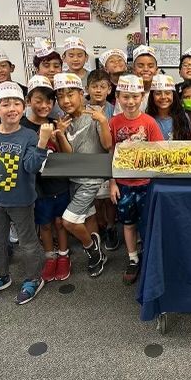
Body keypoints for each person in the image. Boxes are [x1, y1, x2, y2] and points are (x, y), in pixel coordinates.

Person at [0, 82, 51, 305]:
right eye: (5, 104)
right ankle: (1, 276)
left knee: (28, 243)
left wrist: (42, 142)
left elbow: (31, 167)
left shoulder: (28, 135)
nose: (12, 108)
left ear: (23, 106)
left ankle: (33, 278)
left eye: (16, 103)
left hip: (22, 201)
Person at [109, 75, 164, 284]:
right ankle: (132, 258)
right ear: (118, 97)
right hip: (123, 184)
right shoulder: (113, 123)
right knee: (128, 222)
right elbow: (111, 153)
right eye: (125, 97)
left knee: (149, 221)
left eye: (134, 97)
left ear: (142, 97)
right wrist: (112, 182)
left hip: (147, 183)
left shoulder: (149, 123)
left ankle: (150, 256)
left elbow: (159, 152)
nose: (130, 102)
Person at [54, 73, 110, 277]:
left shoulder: (95, 112)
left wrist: (103, 122)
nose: (66, 100)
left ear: (81, 93)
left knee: (69, 221)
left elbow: (107, 144)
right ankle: (98, 254)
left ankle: (93, 251)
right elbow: (70, 155)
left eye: (70, 94)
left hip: (92, 178)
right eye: (60, 96)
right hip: (75, 176)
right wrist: (60, 133)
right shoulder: (64, 120)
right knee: (88, 216)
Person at [20, 75, 72, 283]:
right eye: (39, 100)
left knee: (60, 222)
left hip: (59, 183)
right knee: (45, 224)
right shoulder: (22, 127)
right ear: (28, 100)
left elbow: (68, 155)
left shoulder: (54, 122)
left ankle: (64, 255)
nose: (44, 105)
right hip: (37, 187)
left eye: (49, 101)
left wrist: (59, 135)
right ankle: (50, 257)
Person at [86, 68, 118, 249]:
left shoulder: (114, 110)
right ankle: (101, 226)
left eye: (102, 86)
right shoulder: (82, 109)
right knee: (95, 197)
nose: (98, 90)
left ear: (109, 90)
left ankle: (112, 226)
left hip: (110, 156)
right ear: (87, 88)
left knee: (109, 198)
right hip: (91, 159)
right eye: (94, 86)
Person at [146, 74, 191, 140]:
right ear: (152, 96)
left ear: (173, 95)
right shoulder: (148, 119)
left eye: (167, 93)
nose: (163, 97)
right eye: (158, 93)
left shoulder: (183, 117)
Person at [115, 45, 158, 115]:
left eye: (150, 66)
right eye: (140, 66)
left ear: (156, 70)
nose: (146, 69)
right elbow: (119, 118)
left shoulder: (161, 91)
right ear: (133, 69)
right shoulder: (124, 90)